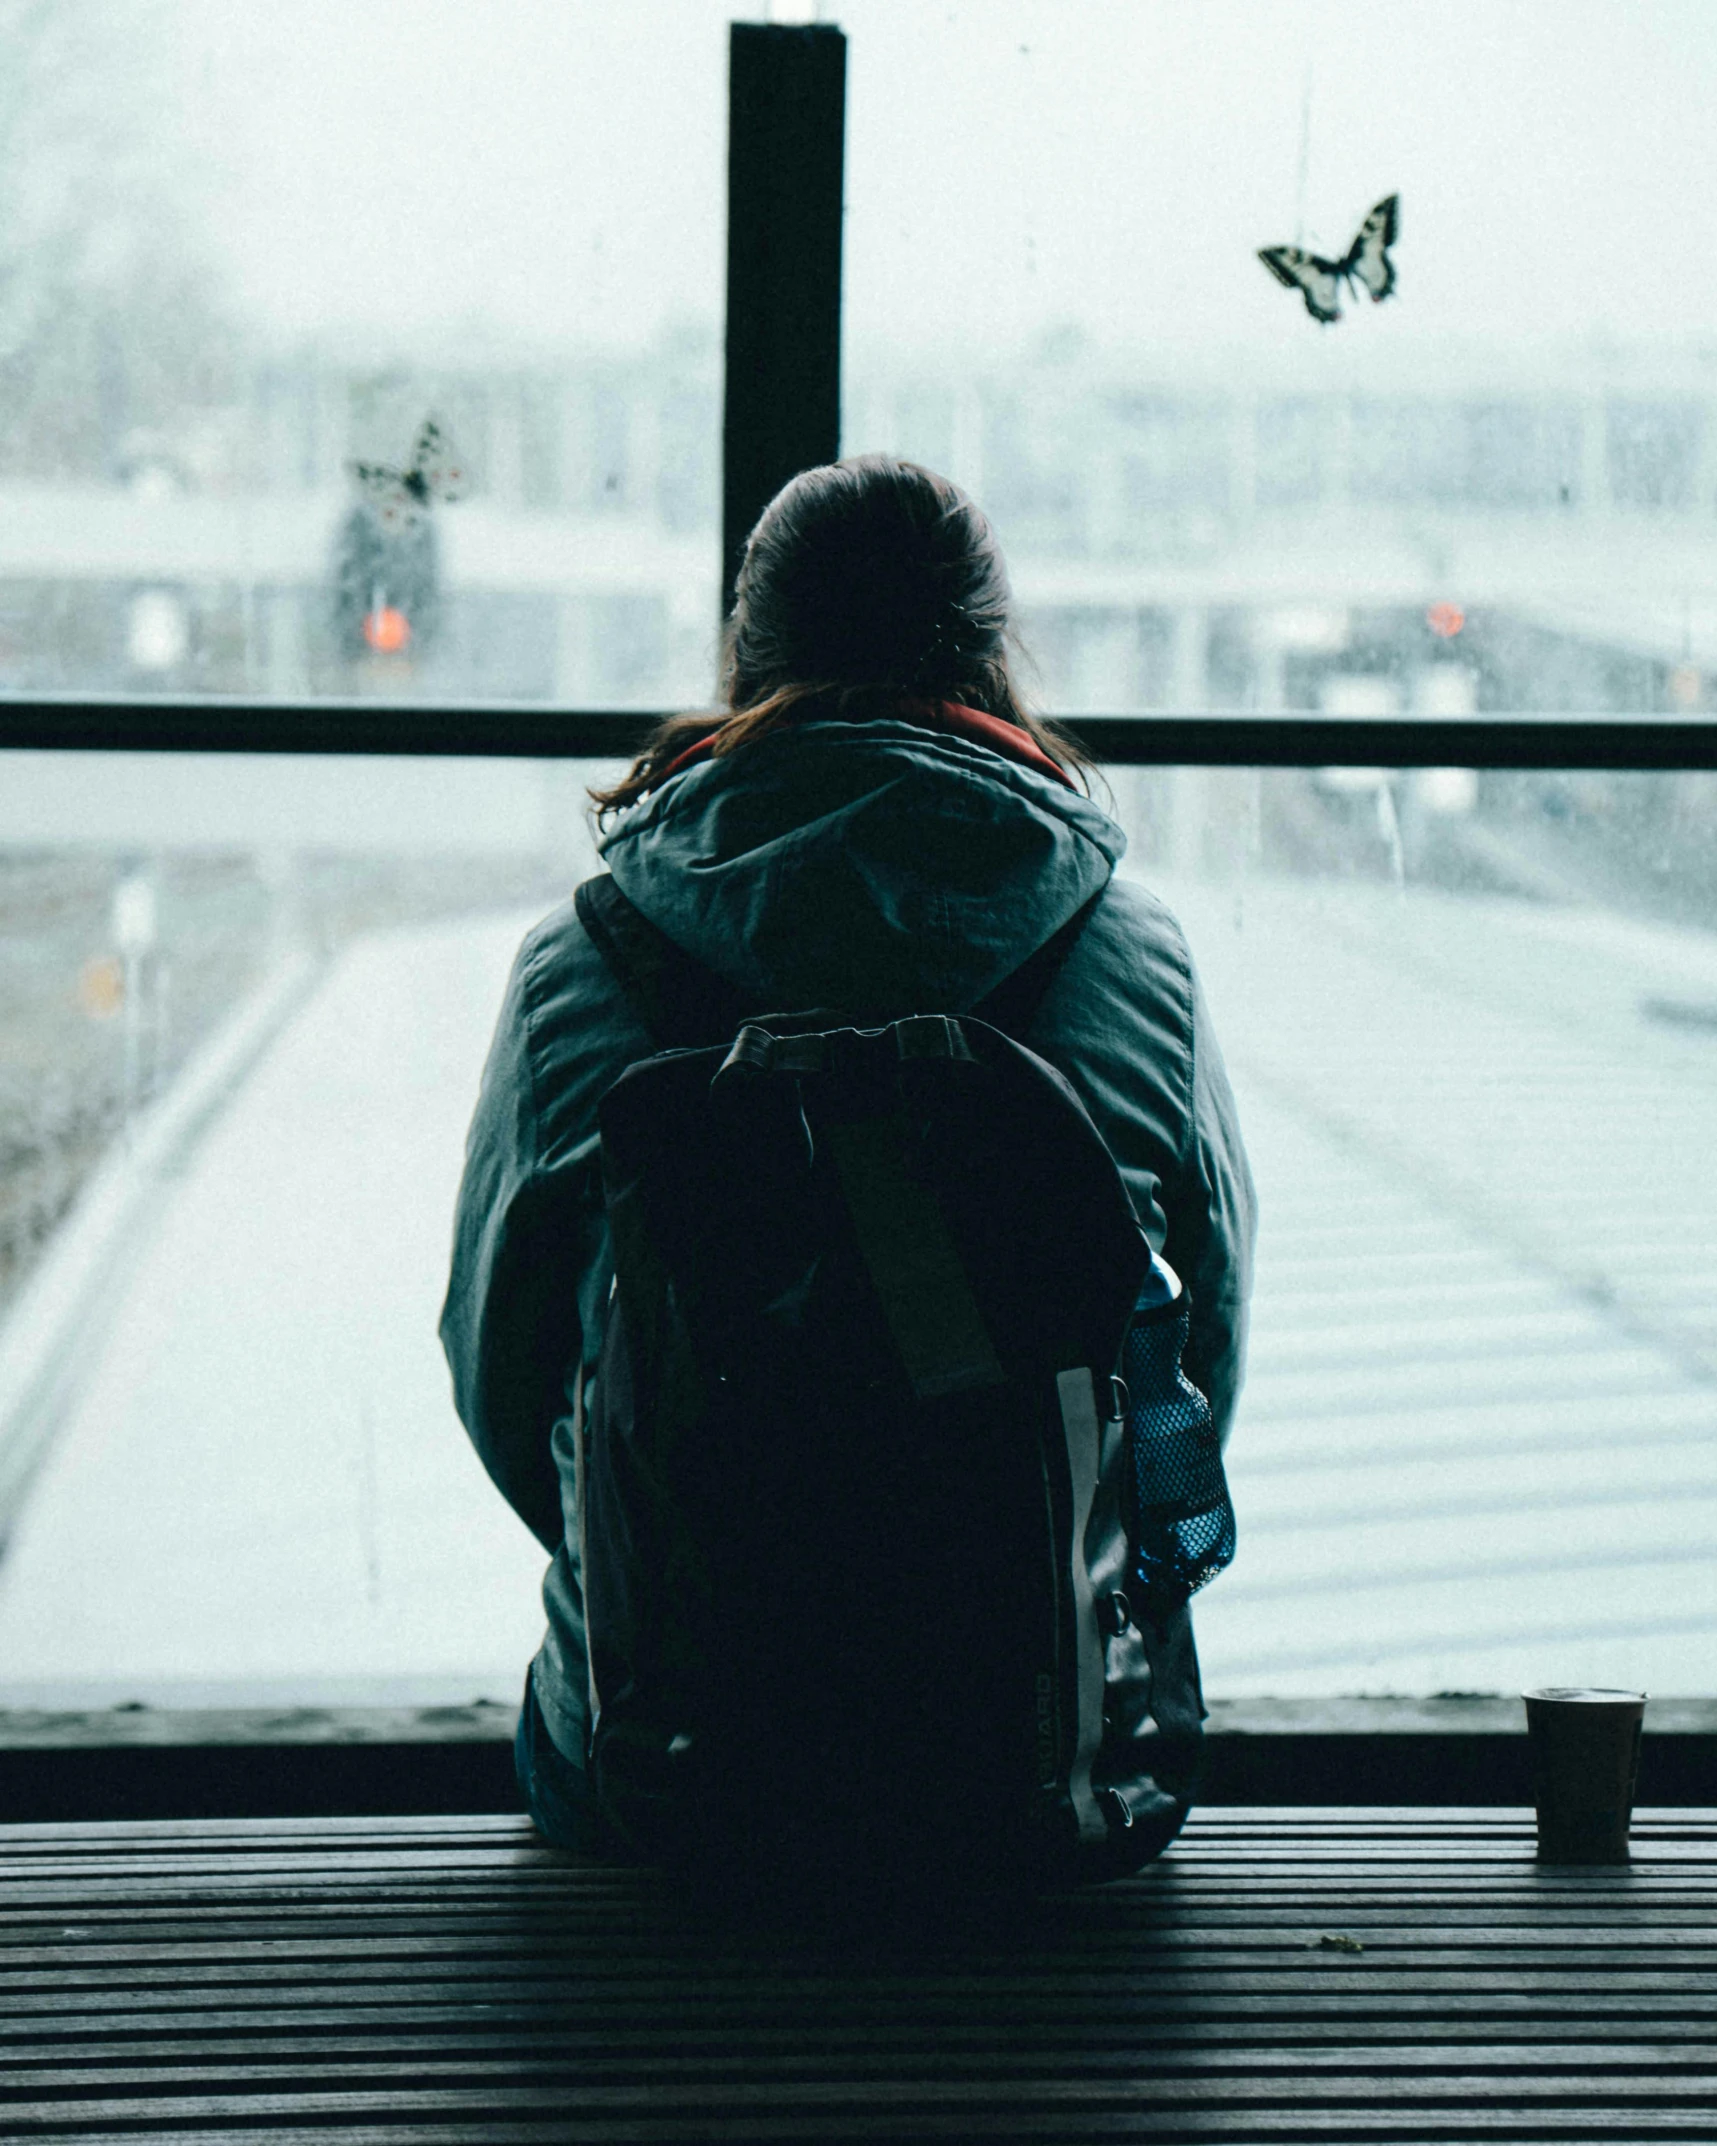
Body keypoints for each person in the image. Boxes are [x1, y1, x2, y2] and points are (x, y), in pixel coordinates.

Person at [440, 454, 1257, 1858]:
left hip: (668, 1774)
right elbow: (1192, 1362)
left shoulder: (581, 962)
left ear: (745, 656)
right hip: (1045, 1780)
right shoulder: (1133, 959)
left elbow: (506, 1372)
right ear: (996, 657)